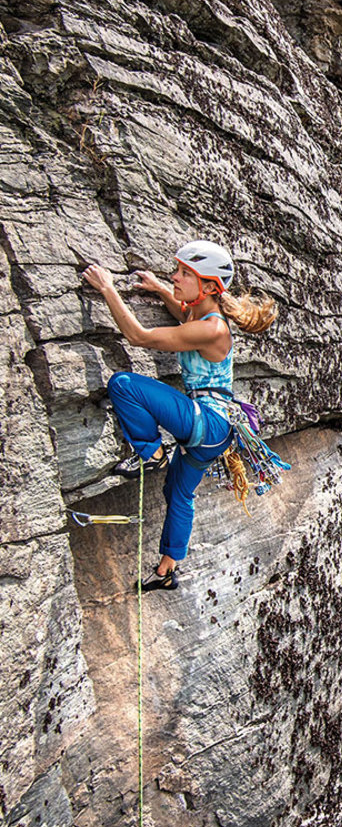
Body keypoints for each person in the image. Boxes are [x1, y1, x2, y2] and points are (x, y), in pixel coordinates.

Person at [82, 241, 276, 591]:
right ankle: (166, 571)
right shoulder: (201, 317)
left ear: (209, 287)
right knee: (178, 493)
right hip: (214, 432)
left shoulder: (212, 328)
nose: (175, 276)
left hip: (207, 420)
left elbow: (139, 337)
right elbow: (183, 317)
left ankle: (152, 453)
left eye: (185, 273)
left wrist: (108, 288)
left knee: (125, 384)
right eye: (178, 270)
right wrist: (160, 289)